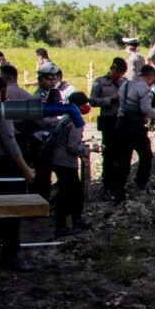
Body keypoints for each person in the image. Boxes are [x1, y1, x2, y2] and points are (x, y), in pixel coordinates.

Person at [0, 76, 35, 271]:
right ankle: (11, 256)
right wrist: (25, 167)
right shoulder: (2, 112)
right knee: (12, 211)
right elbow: (9, 141)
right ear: (3, 91)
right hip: (3, 165)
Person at [45, 92, 92, 237]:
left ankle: (70, 222)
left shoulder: (66, 116)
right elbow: (72, 146)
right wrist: (88, 150)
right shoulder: (75, 120)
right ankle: (64, 225)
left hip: (58, 159)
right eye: (85, 104)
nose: (87, 107)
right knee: (71, 194)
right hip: (65, 162)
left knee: (68, 193)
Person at [113, 65, 155, 202]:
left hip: (121, 125)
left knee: (123, 160)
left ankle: (119, 191)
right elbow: (146, 110)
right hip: (135, 127)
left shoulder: (125, 85)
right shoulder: (144, 89)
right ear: (150, 77)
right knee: (146, 156)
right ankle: (141, 184)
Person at [88, 57, 126, 201]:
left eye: (121, 72)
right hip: (108, 120)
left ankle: (119, 185)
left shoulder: (125, 83)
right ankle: (107, 185)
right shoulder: (100, 82)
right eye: (117, 71)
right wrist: (111, 99)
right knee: (108, 155)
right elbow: (92, 101)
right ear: (112, 68)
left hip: (122, 121)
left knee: (121, 155)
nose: (119, 75)